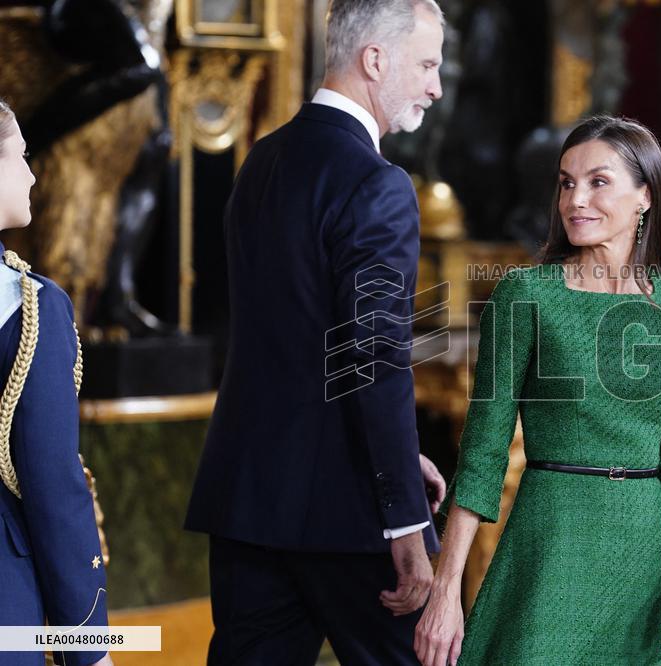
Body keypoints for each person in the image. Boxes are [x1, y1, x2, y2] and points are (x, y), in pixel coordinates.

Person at [183, 1, 447, 664]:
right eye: (427, 64)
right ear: (375, 60)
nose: (435, 86)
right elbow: (374, 358)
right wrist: (406, 514)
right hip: (347, 517)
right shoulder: (377, 184)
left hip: (249, 498)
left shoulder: (260, 162)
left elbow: (294, 342)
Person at [415, 115, 661, 666]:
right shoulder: (525, 296)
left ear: (645, 195)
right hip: (550, 542)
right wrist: (446, 591)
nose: (576, 199)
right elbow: (481, 456)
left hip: (641, 557)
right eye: (566, 182)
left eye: (598, 182)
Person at [0, 100, 112, 666]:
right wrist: (90, 645)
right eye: (19, 157)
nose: (33, 173)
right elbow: (53, 489)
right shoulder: (31, 309)